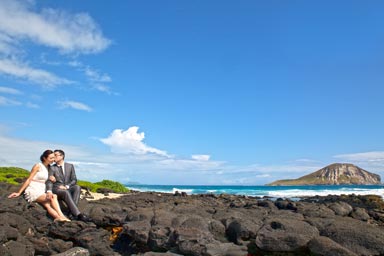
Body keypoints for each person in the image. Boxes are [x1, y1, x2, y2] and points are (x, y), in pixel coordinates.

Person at [8, 150, 70, 222]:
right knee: (53, 196)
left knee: (47, 205)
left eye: (53, 158)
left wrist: (53, 179)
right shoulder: (38, 165)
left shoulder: (50, 168)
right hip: (33, 189)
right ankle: (62, 216)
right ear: (44, 158)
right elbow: (29, 179)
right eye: (51, 158)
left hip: (42, 189)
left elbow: (50, 180)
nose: (53, 160)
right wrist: (19, 192)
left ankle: (57, 217)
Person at [46, 149, 92, 222]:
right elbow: (49, 181)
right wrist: (49, 190)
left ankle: (71, 212)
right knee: (65, 192)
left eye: (55, 155)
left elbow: (74, 179)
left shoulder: (70, 166)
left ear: (62, 156)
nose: (53, 157)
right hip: (57, 188)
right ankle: (78, 215)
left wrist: (67, 186)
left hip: (66, 187)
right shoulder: (52, 167)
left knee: (77, 187)